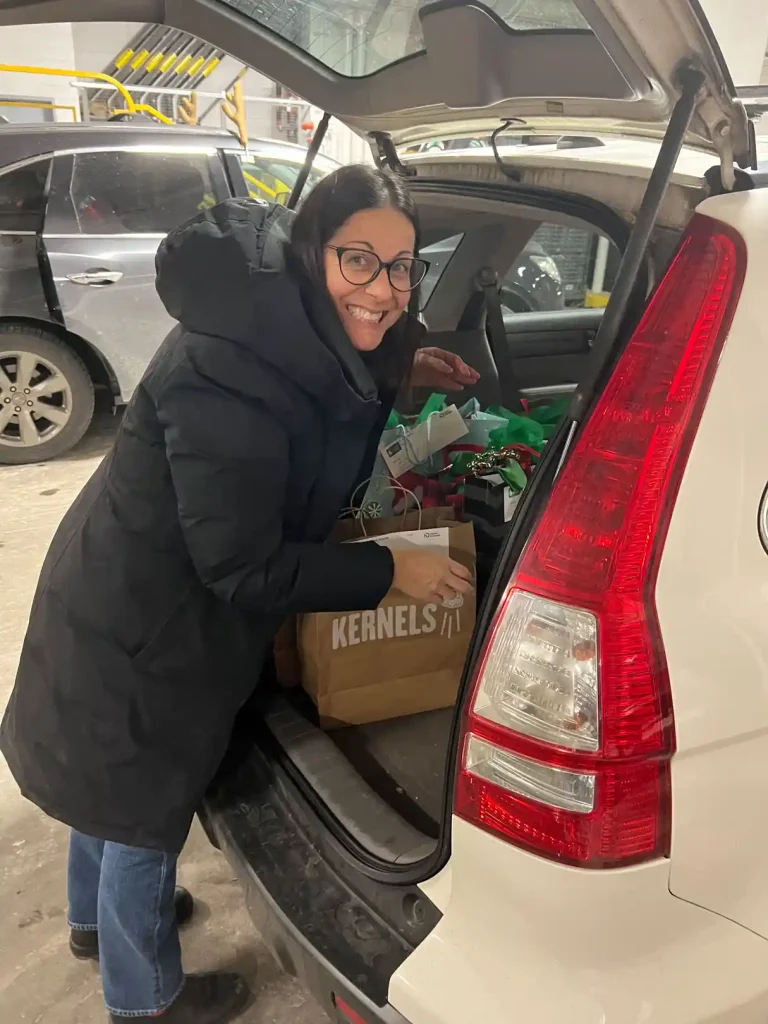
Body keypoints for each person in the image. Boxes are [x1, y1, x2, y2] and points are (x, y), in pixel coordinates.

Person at [0, 165, 478, 1024]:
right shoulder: (232, 370)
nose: (384, 289)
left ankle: (93, 924)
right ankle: (145, 1000)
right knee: (141, 808)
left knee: (101, 780)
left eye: (403, 267)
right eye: (359, 261)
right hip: (150, 620)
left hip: (121, 584)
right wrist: (389, 570)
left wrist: (403, 366)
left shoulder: (278, 320)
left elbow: (330, 372)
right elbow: (242, 567)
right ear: (311, 250)